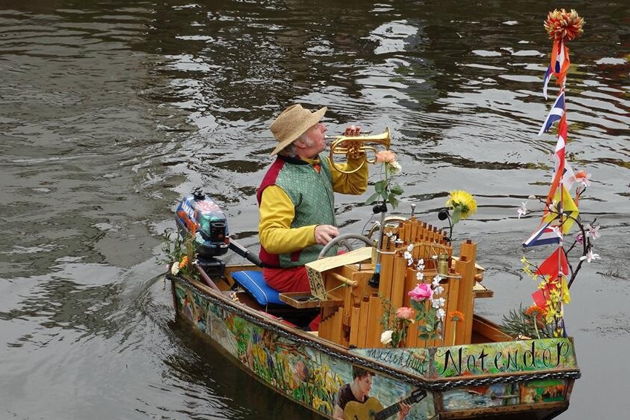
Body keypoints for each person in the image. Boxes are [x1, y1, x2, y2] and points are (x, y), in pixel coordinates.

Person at [256, 104, 368, 293]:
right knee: (356, 287)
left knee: (374, 267)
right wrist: (313, 233)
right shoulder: (278, 184)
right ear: (301, 142)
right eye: (317, 126)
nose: (324, 128)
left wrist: (355, 156)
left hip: (319, 260)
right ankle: (317, 324)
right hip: (289, 272)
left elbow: (354, 186)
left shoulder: (317, 162)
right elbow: (270, 238)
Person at [332, 367, 410, 420]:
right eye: (367, 382)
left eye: (371, 383)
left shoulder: (370, 403)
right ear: (357, 379)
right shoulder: (345, 392)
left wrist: (400, 417)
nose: (370, 387)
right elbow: (336, 417)